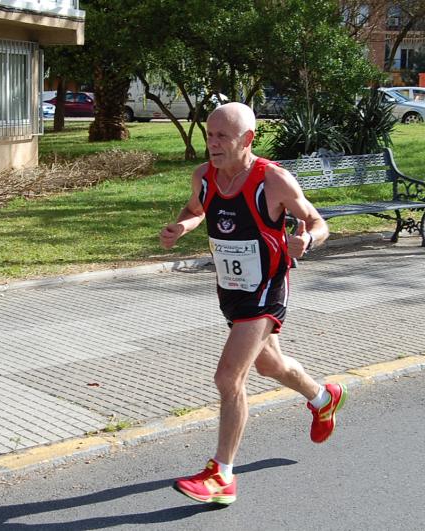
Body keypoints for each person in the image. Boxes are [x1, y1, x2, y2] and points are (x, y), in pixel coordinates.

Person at [159, 102, 346, 505]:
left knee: (229, 378)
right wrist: (182, 227)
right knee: (269, 365)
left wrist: (307, 240)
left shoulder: (272, 180)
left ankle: (222, 475)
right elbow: (196, 209)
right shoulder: (204, 177)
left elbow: (317, 221)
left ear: (247, 139)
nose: (213, 143)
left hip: (266, 291)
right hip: (231, 289)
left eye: (222, 136)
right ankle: (322, 397)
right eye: (209, 135)